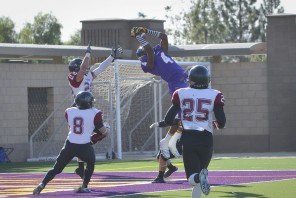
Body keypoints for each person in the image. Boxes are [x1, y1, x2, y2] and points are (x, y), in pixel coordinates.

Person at [152, 65, 226, 197]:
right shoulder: (215, 94)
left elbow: (169, 119)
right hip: (206, 139)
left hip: (189, 139)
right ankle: (199, 178)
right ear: (207, 80)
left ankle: (198, 178)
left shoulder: (181, 93)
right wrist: (217, 124)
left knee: (193, 179)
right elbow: (222, 121)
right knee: (200, 173)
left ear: (191, 79)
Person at [130, 27, 187, 181]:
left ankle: (172, 139)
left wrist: (139, 36)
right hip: (184, 79)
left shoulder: (148, 58)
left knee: (180, 117)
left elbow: (148, 49)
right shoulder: (161, 51)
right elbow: (163, 37)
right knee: (181, 116)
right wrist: (147, 32)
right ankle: (170, 153)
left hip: (176, 84)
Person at [33, 91, 110, 195]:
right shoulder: (95, 112)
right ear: (88, 102)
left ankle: (42, 184)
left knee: (56, 169)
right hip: (84, 146)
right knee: (91, 163)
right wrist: (106, 130)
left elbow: (71, 126)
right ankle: (84, 186)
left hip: (70, 144)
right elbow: (102, 131)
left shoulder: (69, 111)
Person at [68, 43, 122, 178]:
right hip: (79, 107)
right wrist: (87, 54)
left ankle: (81, 164)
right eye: (81, 67)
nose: (85, 69)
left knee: (99, 133)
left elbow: (100, 68)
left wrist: (111, 57)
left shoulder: (87, 76)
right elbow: (84, 68)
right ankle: (81, 161)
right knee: (102, 131)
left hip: (87, 107)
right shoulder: (74, 77)